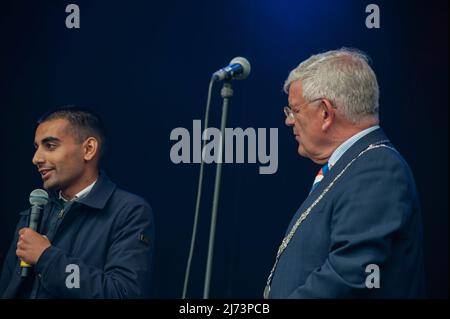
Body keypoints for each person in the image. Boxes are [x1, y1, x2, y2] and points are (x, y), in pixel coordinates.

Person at [264, 48, 425, 298]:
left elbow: (349, 276)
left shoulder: (377, 169)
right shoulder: (353, 166)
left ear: (326, 113)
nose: (288, 121)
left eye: (294, 110)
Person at [0, 106, 154, 298]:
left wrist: (46, 257)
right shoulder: (33, 215)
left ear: (88, 149)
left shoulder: (129, 212)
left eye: (50, 146)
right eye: (37, 147)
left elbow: (123, 293)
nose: (36, 158)